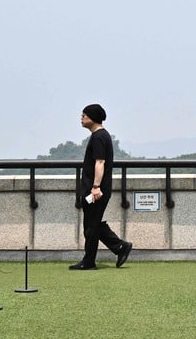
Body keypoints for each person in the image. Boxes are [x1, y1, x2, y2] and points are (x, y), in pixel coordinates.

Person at [70, 103, 133, 270]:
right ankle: (119, 247)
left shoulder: (99, 137)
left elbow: (100, 162)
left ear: (93, 117)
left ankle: (91, 260)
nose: (81, 117)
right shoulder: (100, 135)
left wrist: (96, 186)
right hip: (95, 189)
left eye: (84, 115)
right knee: (93, 224)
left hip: (96, 190)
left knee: (91, 226)